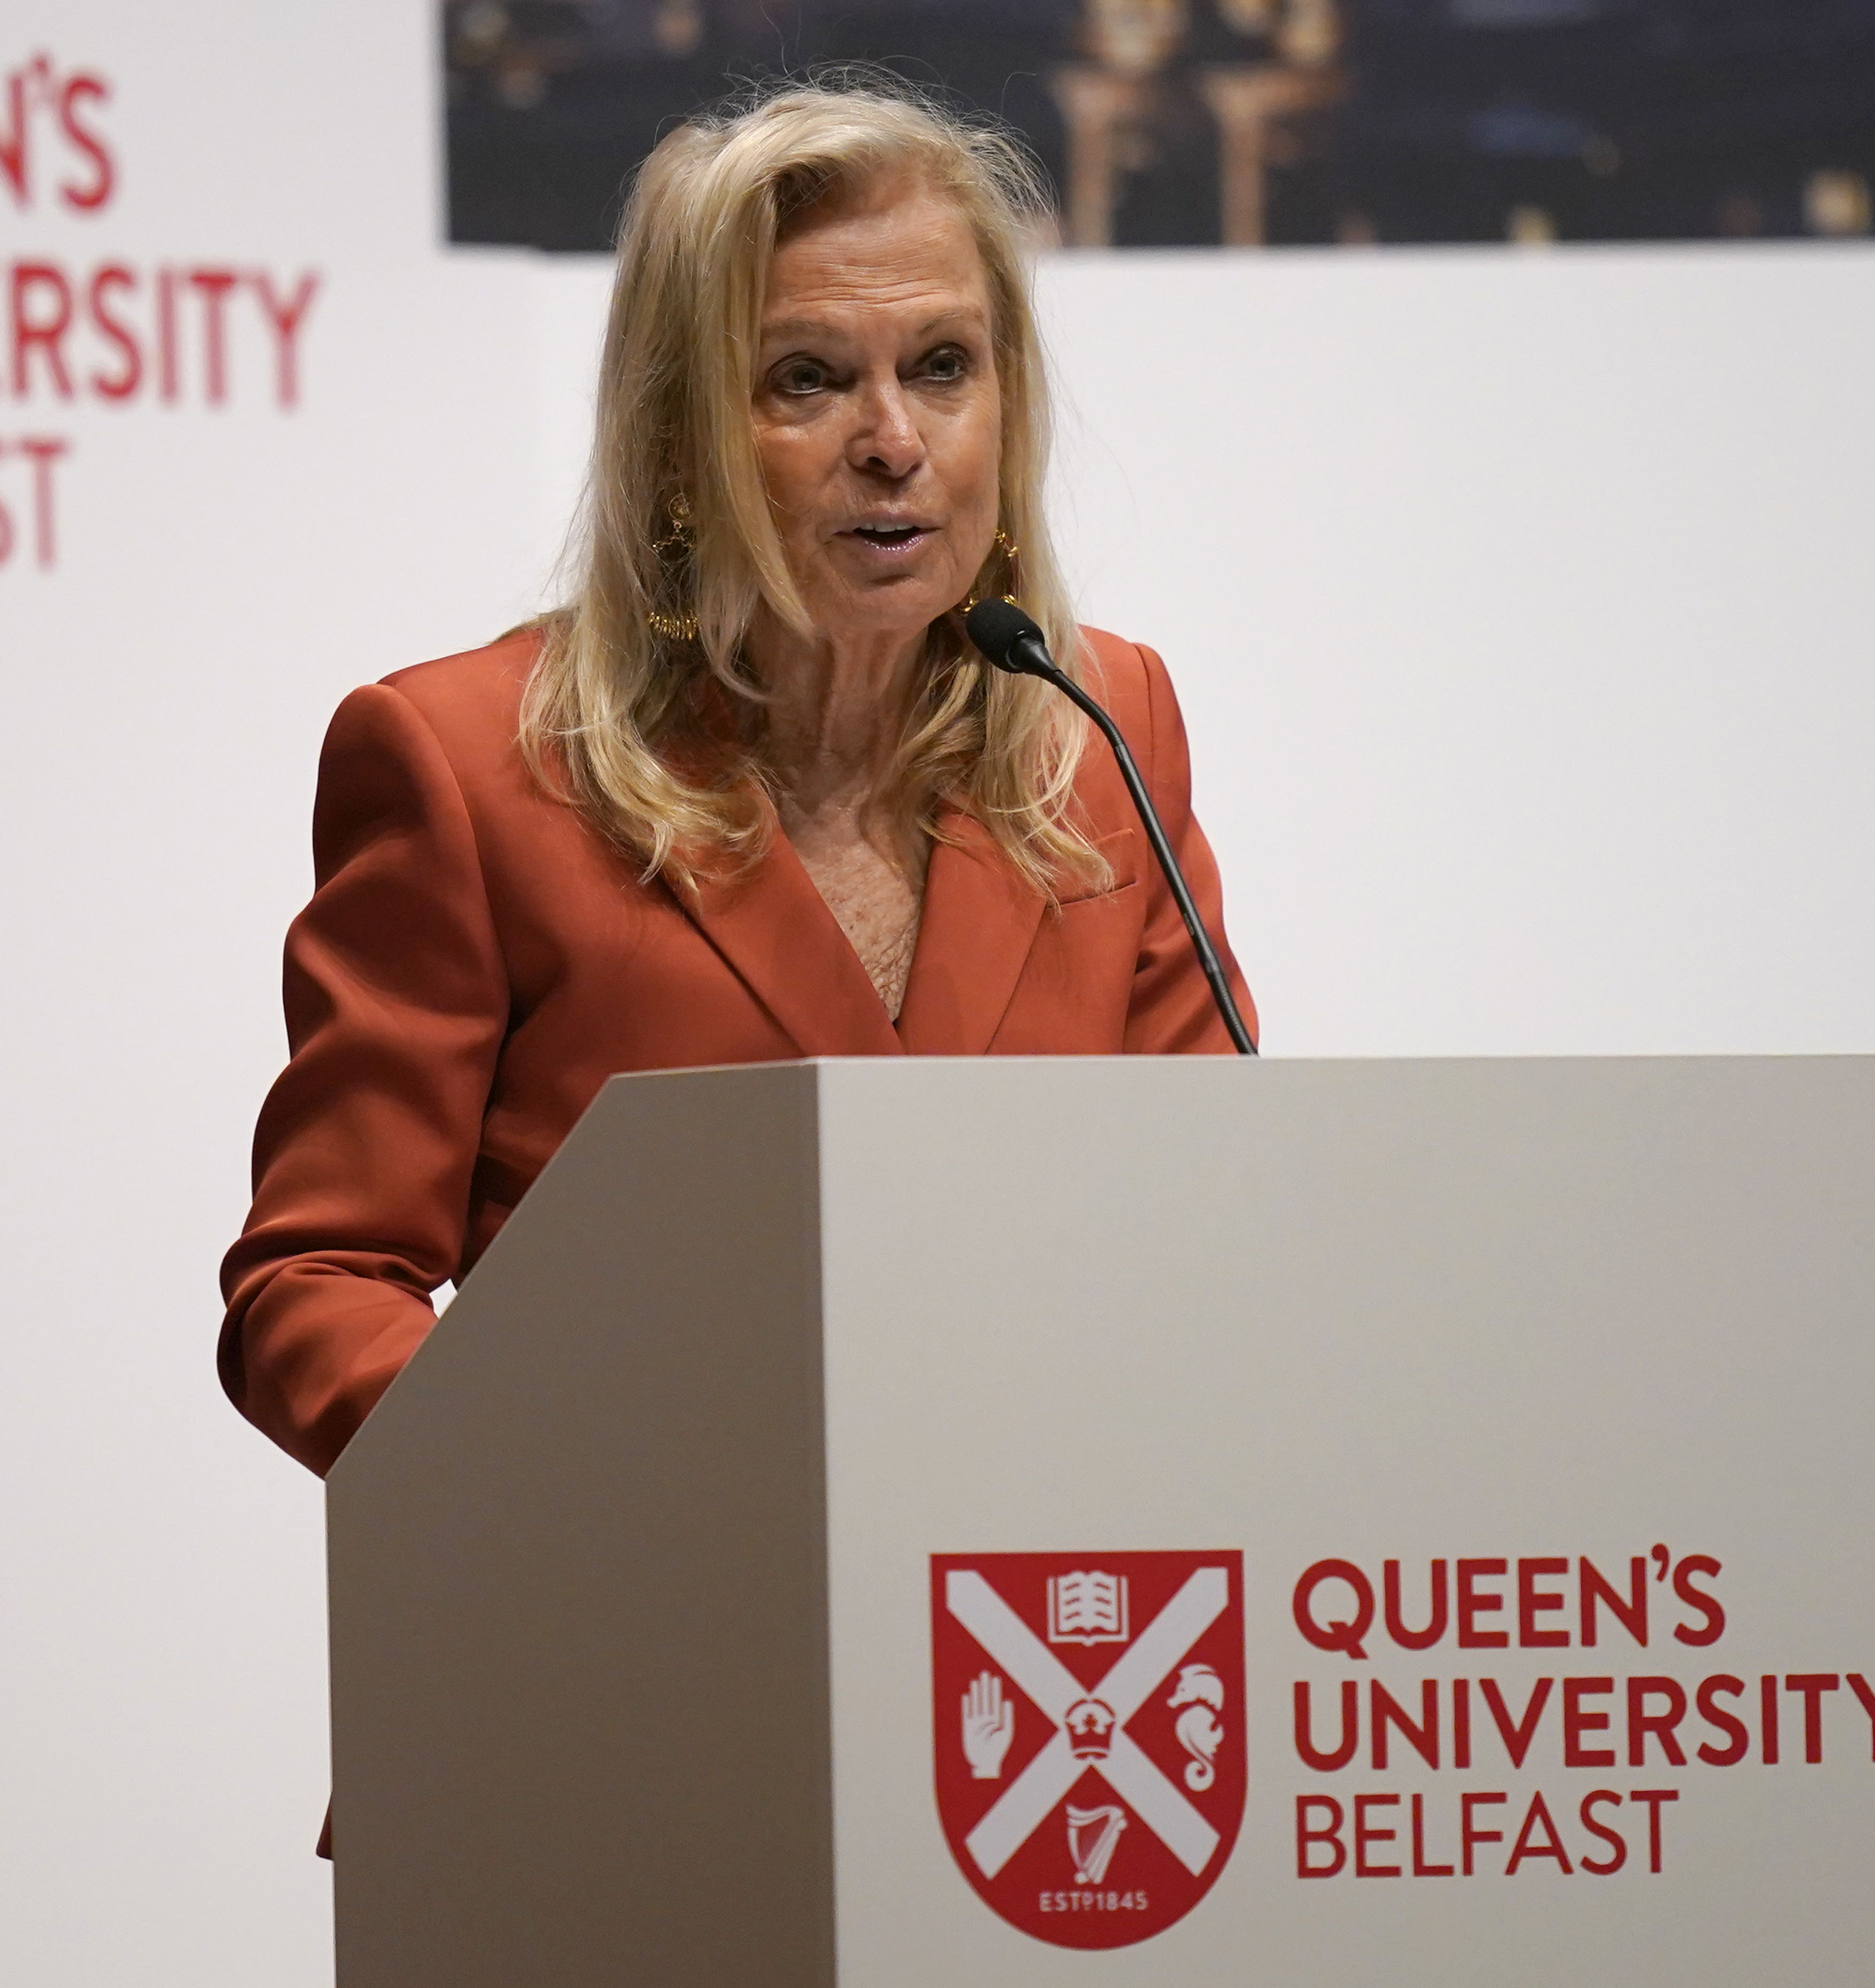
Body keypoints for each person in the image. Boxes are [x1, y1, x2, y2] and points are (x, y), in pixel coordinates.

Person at [218, 74, 1255, 1480]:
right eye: (807, 381)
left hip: (1044, 1598)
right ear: (678, 450)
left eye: (944, 366)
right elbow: (319, 1281)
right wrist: (566, 1496)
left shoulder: (1097, 730)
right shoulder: (469, 769)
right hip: (651, 1627)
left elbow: (1220, 1211)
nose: (894, 440)